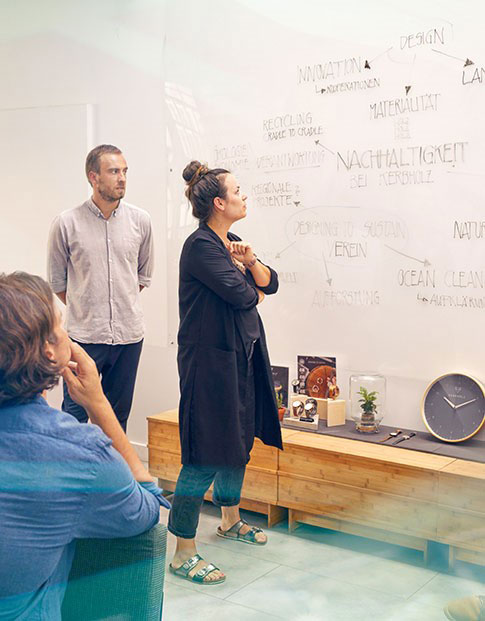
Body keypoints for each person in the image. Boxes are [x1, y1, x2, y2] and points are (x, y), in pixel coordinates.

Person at [0, 272, 169, 621]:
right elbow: (149, 508)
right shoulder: (75, 455)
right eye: (62, 323)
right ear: (49, 351)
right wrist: (100, 406)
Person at [168, 161, 283, 584]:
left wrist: (250, 261)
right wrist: (249, 280)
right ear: (219, 202)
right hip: (208, 365)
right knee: (203, 454)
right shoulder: (199, 247)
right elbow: (242, 296)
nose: (243, 195)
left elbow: (270, 285)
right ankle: (183, 551)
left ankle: (230, 519)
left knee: (239, 440)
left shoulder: (231, 242)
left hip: (242, 355)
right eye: (238, 190)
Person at [47, 144, 154, 431]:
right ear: (93, 177)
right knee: (74, 417)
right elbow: (58, 282)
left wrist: (117, 302)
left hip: (128, 337)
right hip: (84, 337)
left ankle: (112, 476)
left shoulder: (141, 221)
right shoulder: (66, 223)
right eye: (114, 171)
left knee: (117, 419)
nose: (122, 178)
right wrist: (89, 305)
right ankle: (72, 475)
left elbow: (142, 277)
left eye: (124, 171)